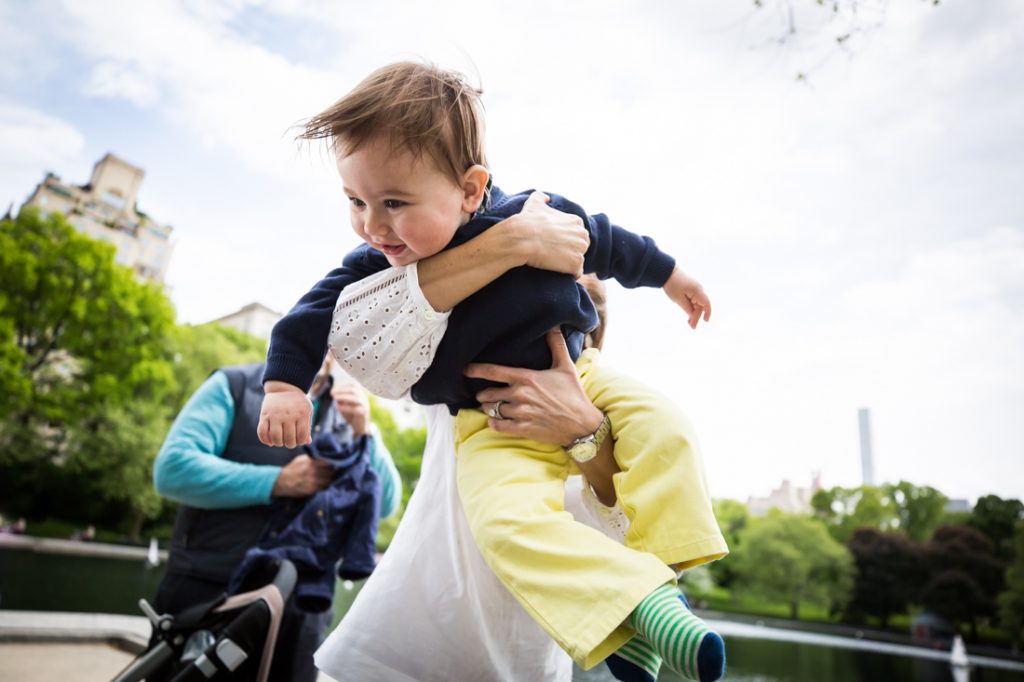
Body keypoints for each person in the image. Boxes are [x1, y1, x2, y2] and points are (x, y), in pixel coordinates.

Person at [261, 61, 728, 681]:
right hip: (482, 420)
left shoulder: (542, 214)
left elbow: (610, 242)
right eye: (356, 202)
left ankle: (657, 595)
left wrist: (671, 276)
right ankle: (642, 604)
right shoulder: (394, 277)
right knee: (505, 521)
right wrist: (284, 384)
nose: (372, 226)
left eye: (393, 203)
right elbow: (321, 317)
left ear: (471, 189)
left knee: (669, 428)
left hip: (586, 382)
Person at [152, 356, 401, 682]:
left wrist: (364, 432)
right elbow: (172, 469)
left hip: (303, 608)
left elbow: (386, 504)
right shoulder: (234, 386)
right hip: (210, 595)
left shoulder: (351, 413)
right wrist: (277, 481)